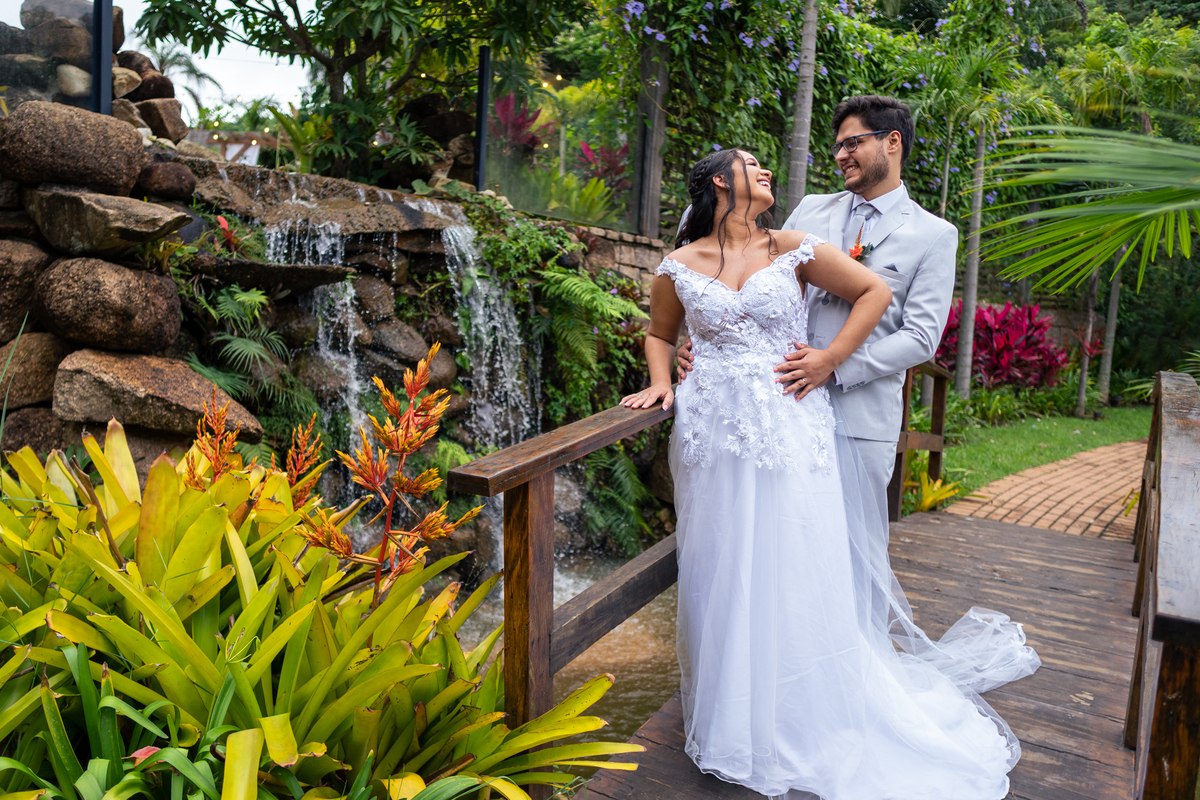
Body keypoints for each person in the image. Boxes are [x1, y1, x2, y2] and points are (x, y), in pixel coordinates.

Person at [622, 147, 1039, 800]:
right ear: (713, 184)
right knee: (724, 566)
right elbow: (660, 334)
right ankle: (734, 715)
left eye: (765, 164)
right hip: (713, 433)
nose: (764, 172)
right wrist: (659, 383)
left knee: (793, 559)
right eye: (748, 164)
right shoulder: (677, 267)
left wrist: (829, 359)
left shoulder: (792, 245)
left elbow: (875, 292)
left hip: (790, 425)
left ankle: (802, 714)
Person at [676, 96, 956, 525]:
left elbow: (920, 337)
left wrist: (833, 364)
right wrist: (705, 343)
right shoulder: (810, 209)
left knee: (856, 546)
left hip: (859, 417)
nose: (841, 155)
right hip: (781, 410)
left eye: (852, 143)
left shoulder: (934, 235)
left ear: (892, 141)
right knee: (785, 541)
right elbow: (754, 280)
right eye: (838, 146)